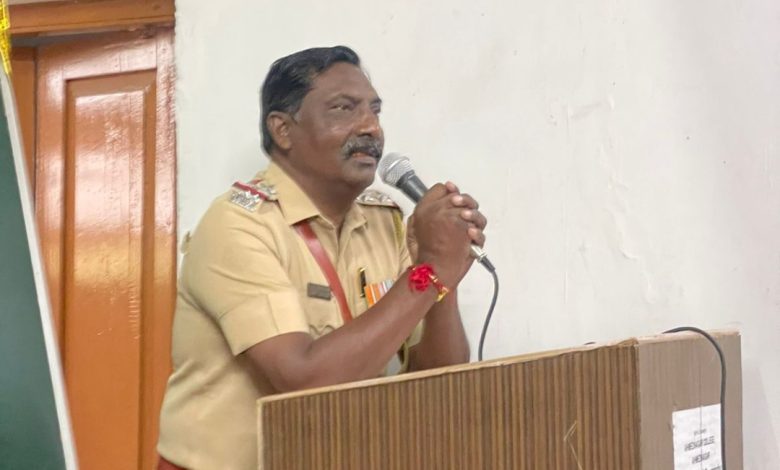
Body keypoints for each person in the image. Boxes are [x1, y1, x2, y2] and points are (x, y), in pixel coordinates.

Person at [156, 46, 487, 470]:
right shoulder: (238, 226)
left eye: (375, 110)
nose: (370, 127)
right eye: (343, 109)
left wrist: (443, 275)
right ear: (283, 130)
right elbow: (303, 380)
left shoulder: (383, 220)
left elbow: (437, 379)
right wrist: (429, 271)